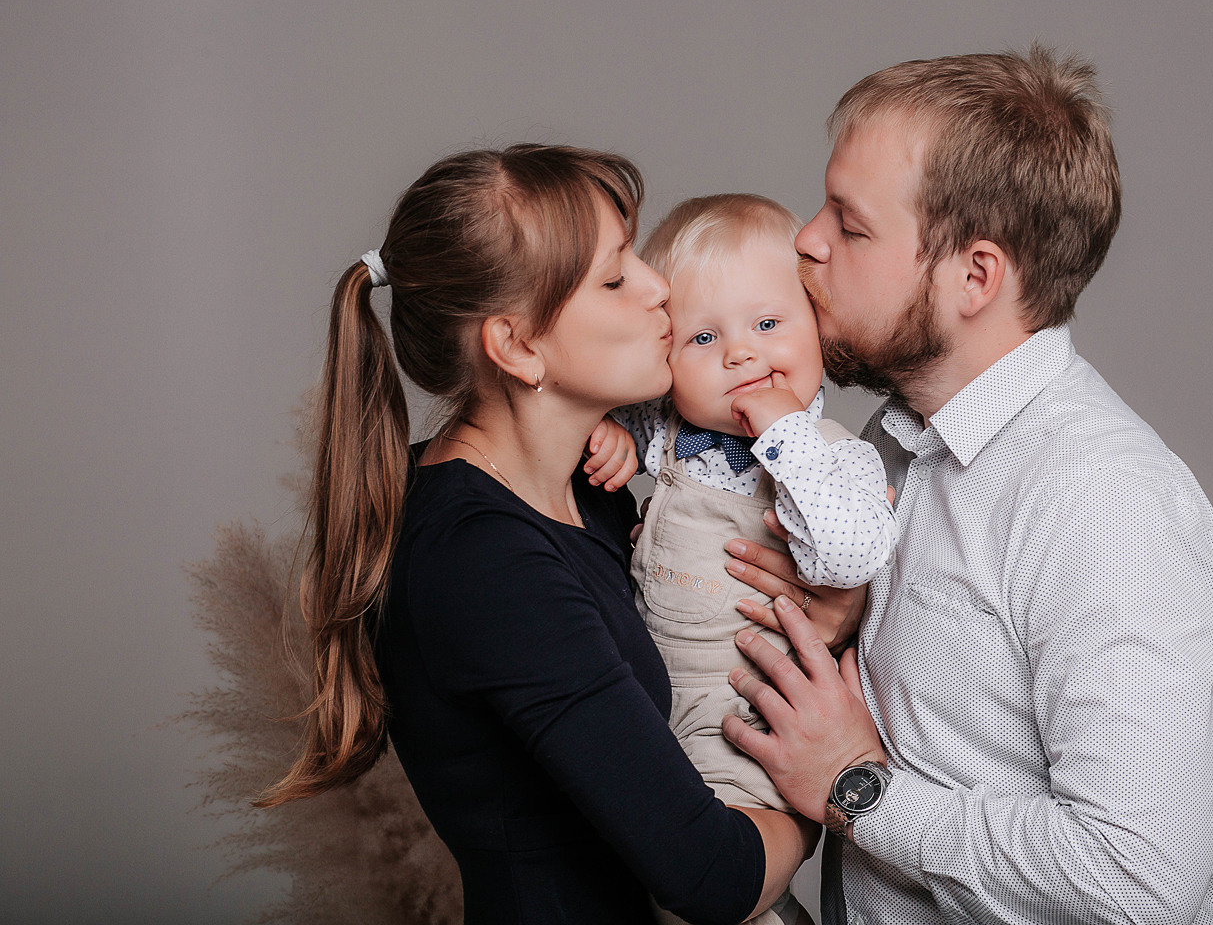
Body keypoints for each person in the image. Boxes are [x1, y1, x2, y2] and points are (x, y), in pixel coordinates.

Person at [255, 145, 854, 925]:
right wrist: (829, 780)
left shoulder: (587, 489)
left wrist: (826, 613)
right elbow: (713, 876)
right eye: (615, 278)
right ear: (519, 347)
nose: (658, 289)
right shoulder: (482, 565)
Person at [719, 48, 1213, 925]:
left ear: (975, 276)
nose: (806, 240)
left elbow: (1142, 882)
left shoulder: (1105, 504)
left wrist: (858, 788)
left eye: (850, 226)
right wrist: (854, 611)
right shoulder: (881, 444)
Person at [606, 194, 898, 925]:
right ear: (667, 361)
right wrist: (612, 443)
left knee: (705, 885)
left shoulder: (834, 455)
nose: (741, 353)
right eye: (703, 338)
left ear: (818, 333)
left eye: (768, 325)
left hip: (747, 704)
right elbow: (600, 419)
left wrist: (783, 431)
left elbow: (848, 553)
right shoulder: (670, 433)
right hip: (651, 698)